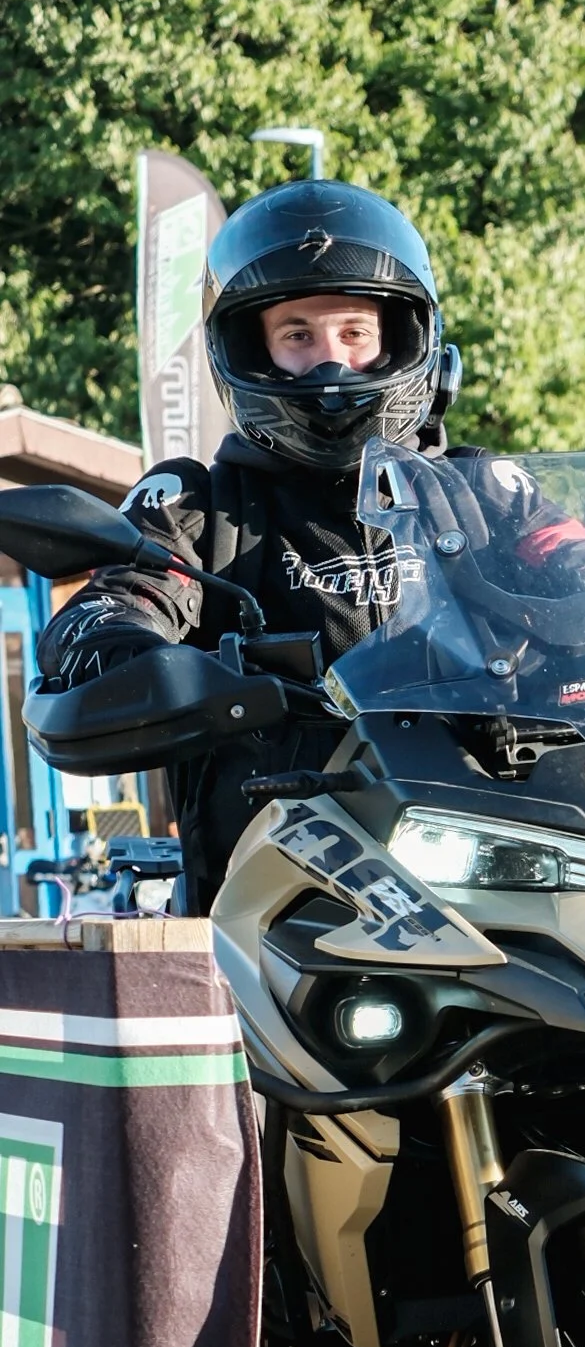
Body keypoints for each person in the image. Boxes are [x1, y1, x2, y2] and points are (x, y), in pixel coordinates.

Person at [40, 178, 501, 909]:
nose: (330, 365)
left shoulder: (488, 495)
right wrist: (130, 651)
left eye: (354, 333)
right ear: (251, 350)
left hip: (497, 866)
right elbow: (121, 599)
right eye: (298, 336)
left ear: (403, 339)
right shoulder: (197, 505)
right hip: (271, 899)